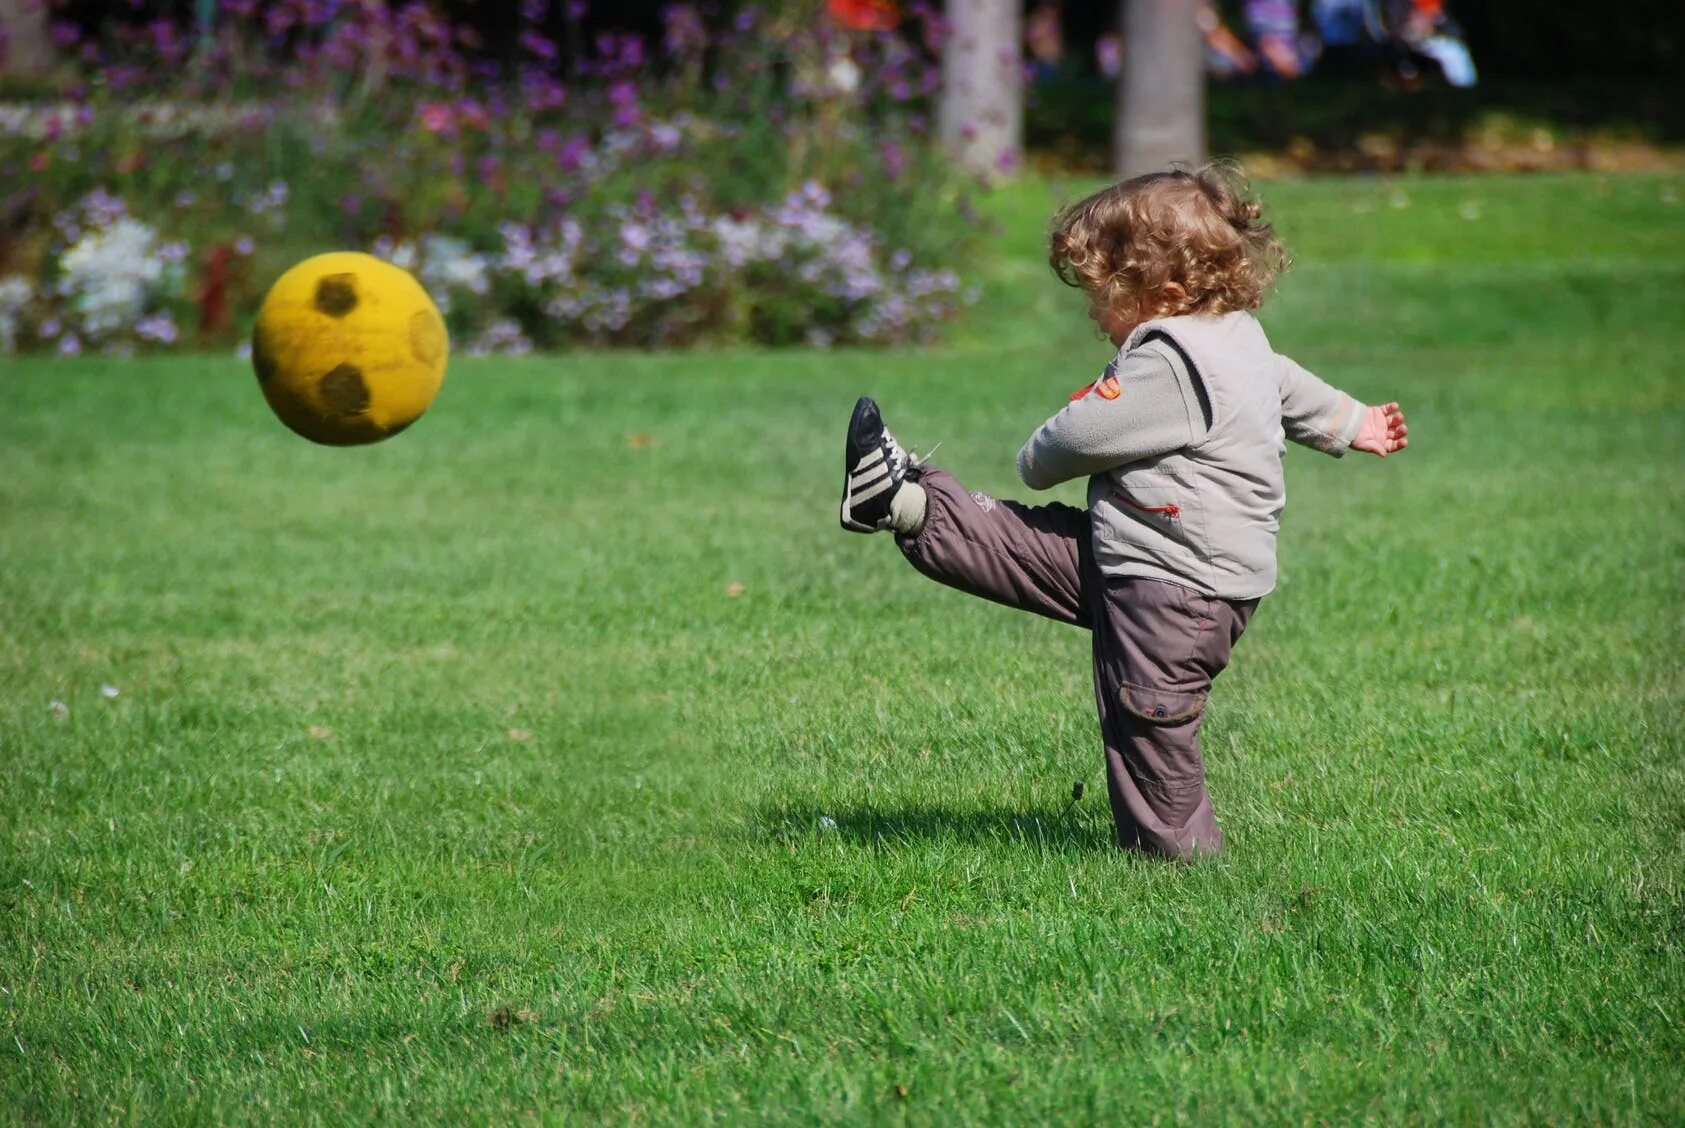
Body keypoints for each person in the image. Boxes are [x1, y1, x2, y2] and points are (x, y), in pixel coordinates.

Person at [838, 165, 1408, 860]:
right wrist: (1351, 421)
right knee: (1018, 545)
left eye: (1102, 297)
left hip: (1173, 589)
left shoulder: (1168, 362)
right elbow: (1289, 386)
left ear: (1162, 294)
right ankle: (896, 499)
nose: (1092, 314)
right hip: (1148, 560)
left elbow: (1069, 444)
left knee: (1149, 724)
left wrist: (1046, 444)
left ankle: (1177, 863)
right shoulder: (1234, 335)